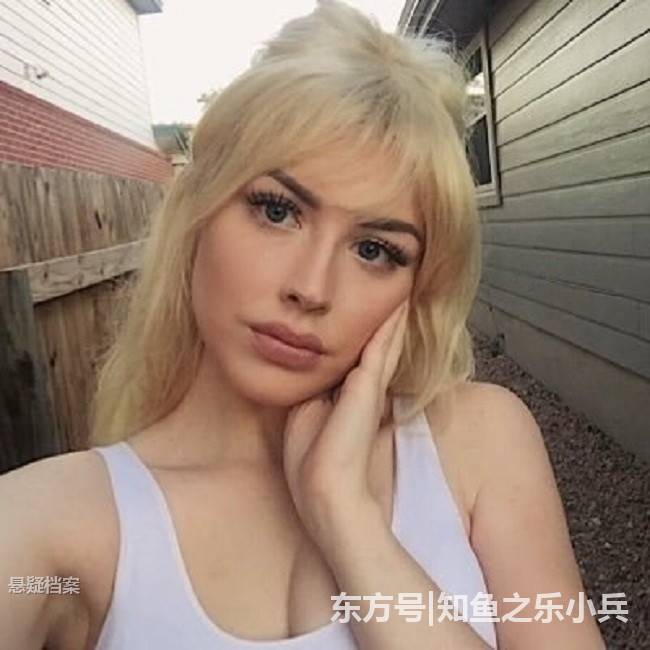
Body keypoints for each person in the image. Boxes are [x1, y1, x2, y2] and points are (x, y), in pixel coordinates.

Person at [0, 1, 606, 648]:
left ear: (419, 287)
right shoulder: (50, 529)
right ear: (197, 209)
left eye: (374, 250)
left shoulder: (480, 440)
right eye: (276, 211)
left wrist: (346, 515)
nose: (311, 289)